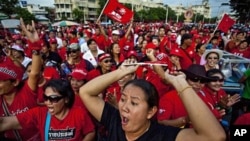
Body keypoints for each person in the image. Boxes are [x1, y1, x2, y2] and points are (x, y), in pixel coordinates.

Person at [79, 59, 226, 141]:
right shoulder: (114, 121)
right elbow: (86, 92)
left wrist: (181, 84)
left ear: (151, 111)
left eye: (134, 103)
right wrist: (121, 71)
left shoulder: (163, 135)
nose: (124, 107)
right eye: (123, 99)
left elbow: (214, 137)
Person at [0, 79, 96, 141]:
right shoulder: (39, 113)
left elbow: (90, 132)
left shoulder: (79, 113)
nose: (48, 102)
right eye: (46, 98)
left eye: (53, 98)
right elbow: (5, 123)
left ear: (66, 99)